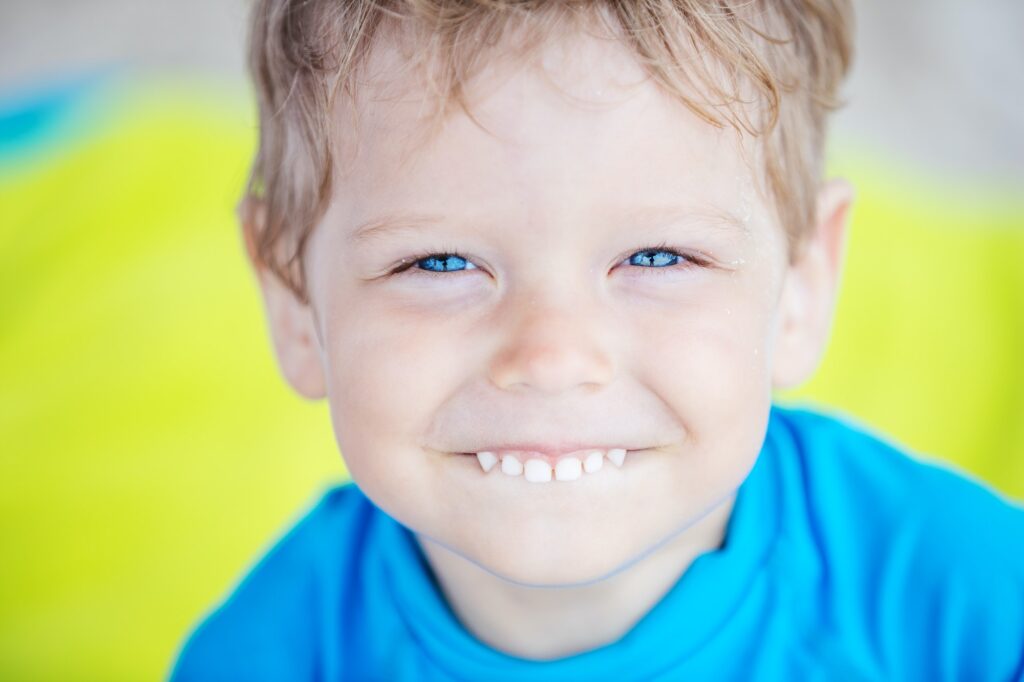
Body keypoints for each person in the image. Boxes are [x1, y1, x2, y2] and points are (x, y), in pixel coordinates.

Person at [169, 1, 1024, 679]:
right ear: (294, 302)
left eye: (658, 256)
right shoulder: (264, 656)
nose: (551, 357)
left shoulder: (968, 601)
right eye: (439, 263)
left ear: (801, 283)